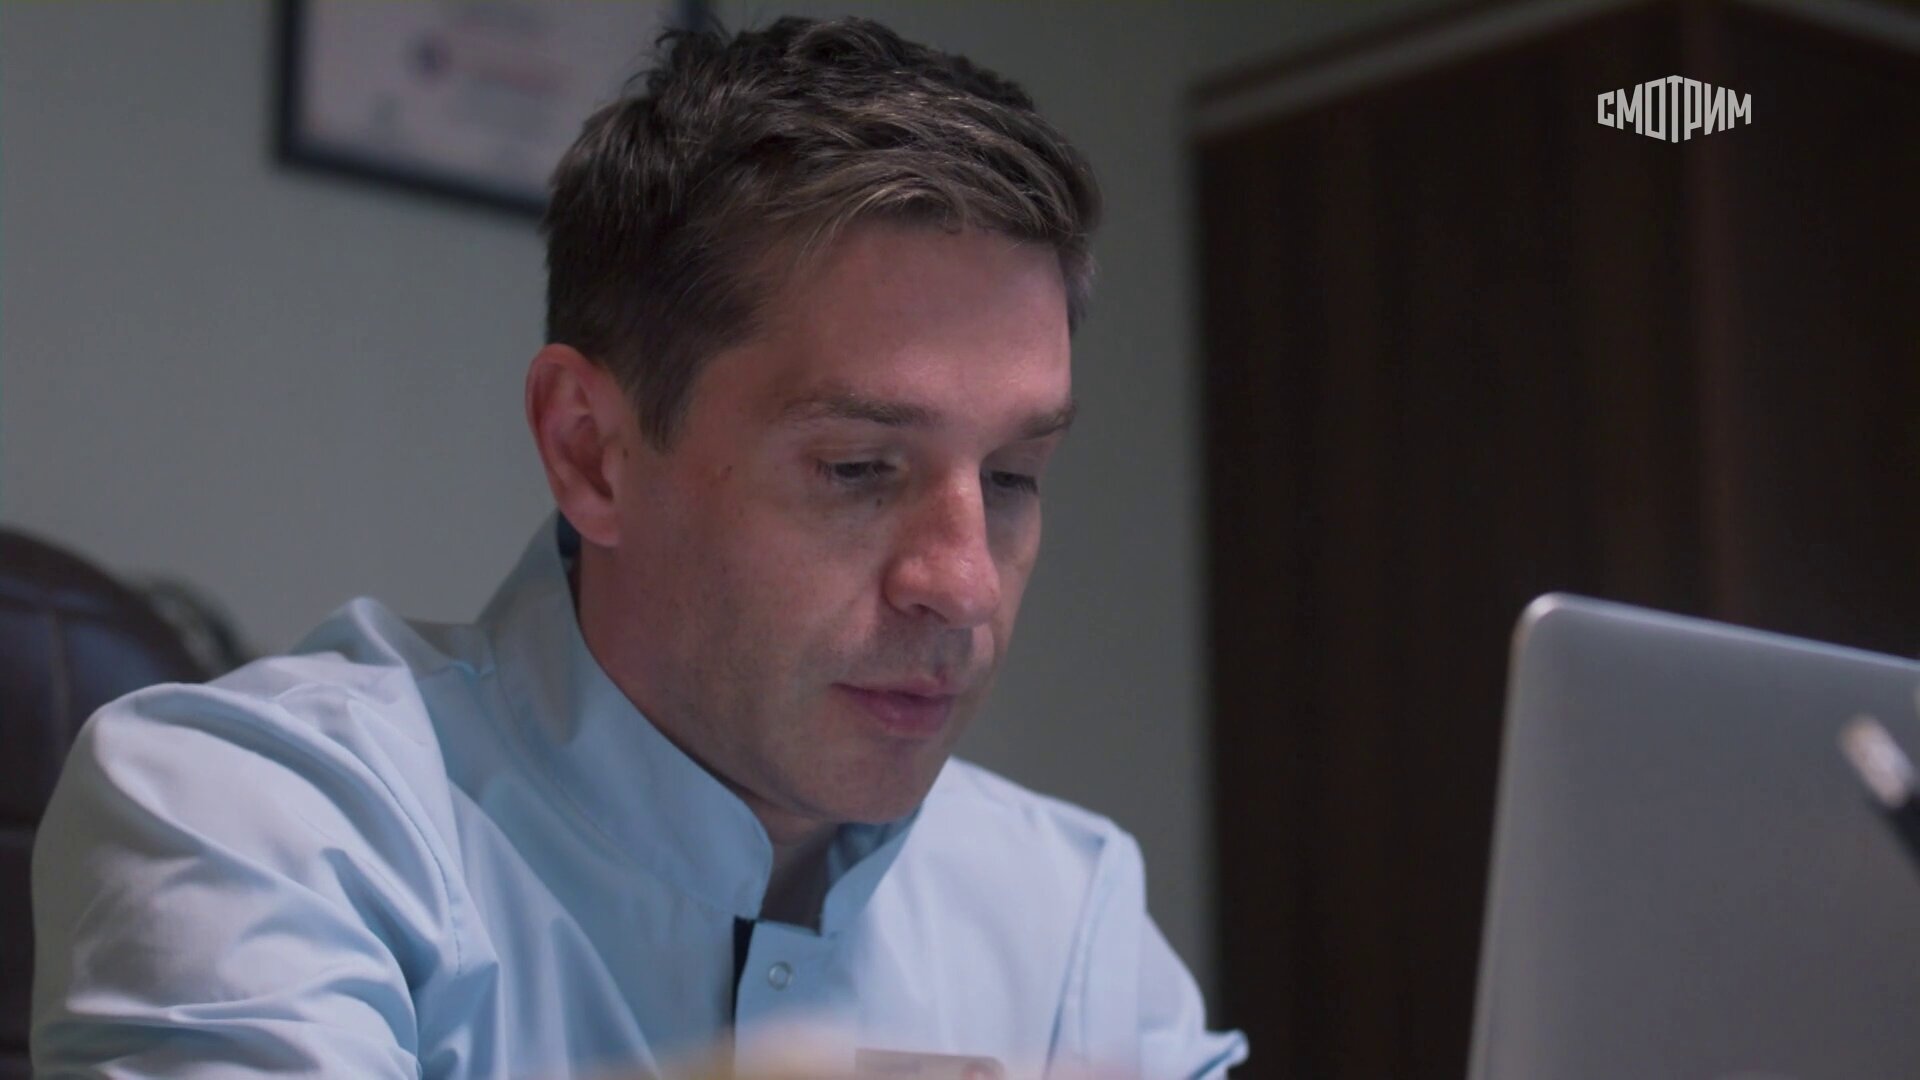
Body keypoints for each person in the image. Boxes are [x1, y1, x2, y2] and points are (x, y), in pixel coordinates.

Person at [31, 15, 1248, 1079]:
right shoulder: (264, 819)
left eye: (1014, 477)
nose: (965, 585)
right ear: (592, 452)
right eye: (858, 468)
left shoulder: (1066, 909)